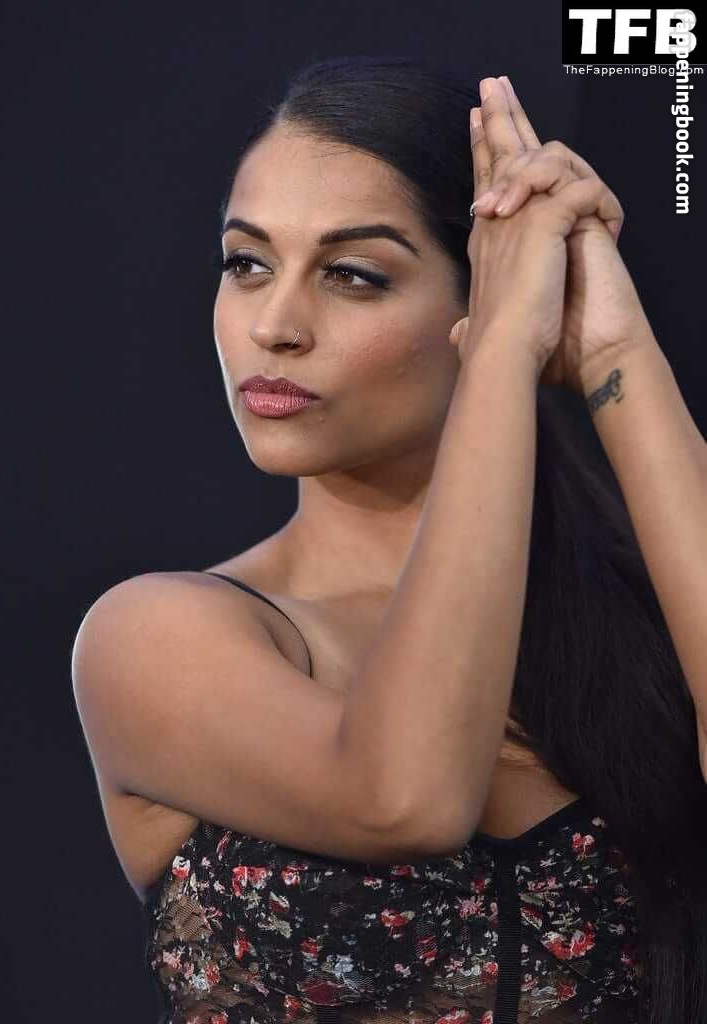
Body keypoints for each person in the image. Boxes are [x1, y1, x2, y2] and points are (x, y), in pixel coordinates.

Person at [71, 57, 707, 1024]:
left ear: (483, 298)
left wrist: (617, 349)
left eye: (352, 276)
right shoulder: (157, 636)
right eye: (246, 264)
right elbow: (406, 795)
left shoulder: (634, 613)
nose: (275, 326)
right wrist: (501, 355)